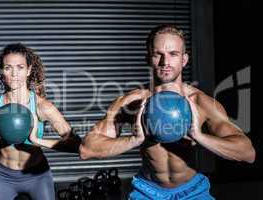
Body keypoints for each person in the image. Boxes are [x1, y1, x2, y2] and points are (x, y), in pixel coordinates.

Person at [79, 25, 256, 199]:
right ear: (148, 59)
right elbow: (87, 149)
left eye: (173, 54)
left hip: (193, 190)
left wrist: (200, 137)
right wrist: (133, 140)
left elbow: (247, 153)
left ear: (184, 60)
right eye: (158, 55)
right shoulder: (132, 103)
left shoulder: (201, 103)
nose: (165, 62)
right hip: (147, 191)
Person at [0, 43, 81, 200]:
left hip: (37, 175)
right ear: (1, 71)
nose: (14, 74)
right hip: (2, 176)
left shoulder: (42, 106)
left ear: (29, 70)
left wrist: (37, 141)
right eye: (7, 67)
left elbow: (76, 145)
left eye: (19, 67)